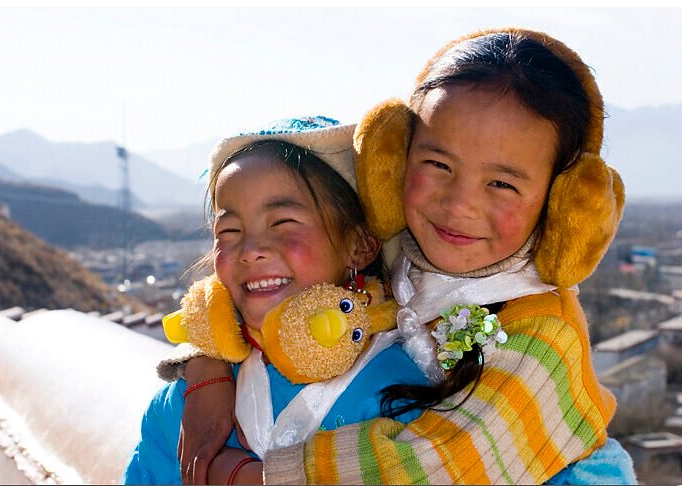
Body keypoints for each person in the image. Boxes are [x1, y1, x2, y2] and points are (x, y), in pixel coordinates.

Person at [163, 28, 637, 485]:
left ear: (566, 202)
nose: (458, 204)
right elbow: (242, 284)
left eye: (501, 184)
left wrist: (253, 477)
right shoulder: (398, 250)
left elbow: (431, 469)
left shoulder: (543, 334)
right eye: (437, 165)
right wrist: (209, 368)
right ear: (393, 156)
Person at [122, 116, 429, 485]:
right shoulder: (181, 407)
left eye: (282, 223)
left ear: (359, 245)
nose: (250, 250)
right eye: (229, 231)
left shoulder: (402, 394)